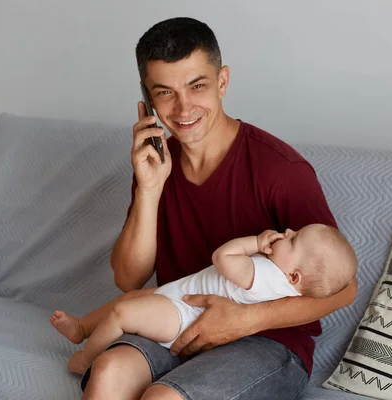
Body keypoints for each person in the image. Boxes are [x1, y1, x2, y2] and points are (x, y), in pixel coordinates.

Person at [81, 17, 358, 400]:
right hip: (178, 319)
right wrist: (149, 189)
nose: (183, 107)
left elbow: (345, 290)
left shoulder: (280, 170)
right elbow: (128, 280)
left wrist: (244, 320)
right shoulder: (156, 165)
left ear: (222, 81)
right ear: (147, 100)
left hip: (266, 340)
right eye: (165, 93)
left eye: (197, 86)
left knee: (163, 398)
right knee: (108, 372)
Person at [51, 224, 357, 375]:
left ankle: (85, 359)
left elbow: (222, 257)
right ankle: (81, 326)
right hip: (180, 296)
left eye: (293, 239)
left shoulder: (264, 277)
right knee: (132, 297)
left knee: (122, 311)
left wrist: (255, 242)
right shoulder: (282, 283)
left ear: (294, 277)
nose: (287, 231)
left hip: (182, 313)